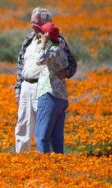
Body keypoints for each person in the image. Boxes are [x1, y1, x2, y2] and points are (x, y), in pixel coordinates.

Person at [14, 8, 76, 153]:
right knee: (23, 125)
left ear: (46, 23)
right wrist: (18, 88)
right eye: (31, 22)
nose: (33, 25)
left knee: (44, 128)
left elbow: (72, 64)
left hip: (43, 87)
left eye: (36, 23)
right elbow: (20, 64)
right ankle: (20, 160)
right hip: (26, 86)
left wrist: (66, 72)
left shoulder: (57, 40)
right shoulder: (29, 39)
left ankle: (46, 162)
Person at [34, 22, 68, 154]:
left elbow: (39, 60)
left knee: (41, 135)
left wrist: (42, 44)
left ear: (47, 35)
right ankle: (58, 165)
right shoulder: (60, 47)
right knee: (56, 136)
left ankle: (44, 168)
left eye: (42, 33)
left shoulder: (54, 50)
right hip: (60, 97)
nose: (39, 35)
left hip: (50, 95)